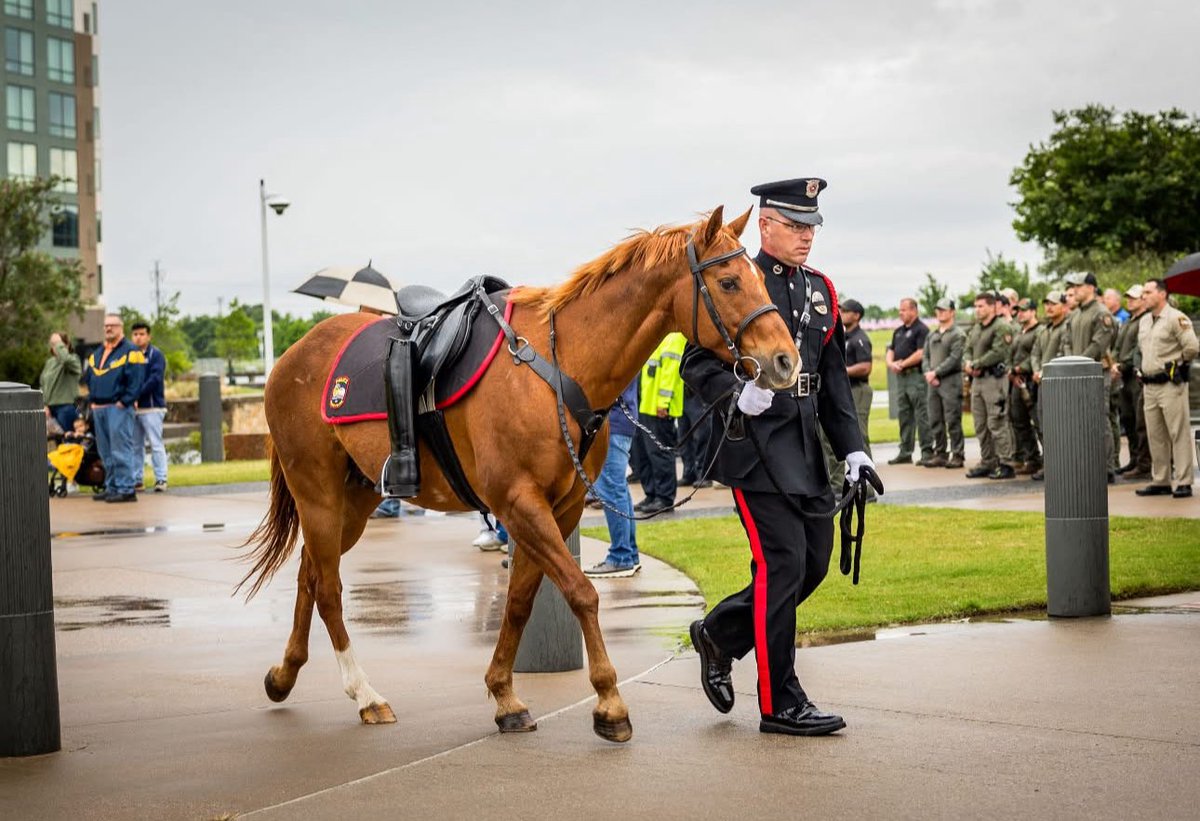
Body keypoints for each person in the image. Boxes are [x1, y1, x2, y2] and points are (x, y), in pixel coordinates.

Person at [682, 177, 872, 737]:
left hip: (807, 449)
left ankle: (720, 634)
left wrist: (856, 451)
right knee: (781, 566)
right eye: (794, 224)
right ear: (764, 224)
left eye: (811, 225)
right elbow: (696, 365)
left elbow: (833, 381)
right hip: (755, 449)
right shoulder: (740, 279)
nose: (806, 236)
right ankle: (780, 702)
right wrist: (737, 392)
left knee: (811, 565)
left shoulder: (820, 290)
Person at [1133, 278, 1198, 499]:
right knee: (1155, 434)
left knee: (1177, 432)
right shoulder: (1144, 321)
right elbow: (1142, 349)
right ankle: (1161, 479)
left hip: (1170, 383)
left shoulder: (1175, 318)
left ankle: (1184, 481)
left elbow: (1191, 347)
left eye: (1147, 292)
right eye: (1142, 293)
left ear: (1162, 294)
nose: (1143, 296)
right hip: (1149, 384)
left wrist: (1176, 364)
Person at [84, 314, 146, 503]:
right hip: (99, 408)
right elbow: (89, 379)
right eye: (106, 326)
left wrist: (125, 401)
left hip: (118, 408)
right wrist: (92, 403)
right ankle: (111, 486)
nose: (108, 328)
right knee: (105, 452)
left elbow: (136, 381)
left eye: (113, 325)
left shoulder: (131, 351)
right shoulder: (97, 354)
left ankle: (126, 488)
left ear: (121, 328)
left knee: (121, 449)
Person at [1062, 272, 1117, 482]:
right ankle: (1086, 465)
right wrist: (1071, 363)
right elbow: (1066, 341)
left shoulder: (1101, 314)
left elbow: (1098, 346)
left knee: (1099, 420)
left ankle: (1106, 468)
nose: (1074, 290)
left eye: (1079, 285)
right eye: (1073, 286)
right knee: (1079, 422)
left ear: (1091, 288)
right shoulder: (1075, 315)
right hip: (1076, 374)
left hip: (1096, 374)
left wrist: (1076, 363)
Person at [585, 379, 642, 577]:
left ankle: (621, 556)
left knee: (611, 488)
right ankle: (629, 553)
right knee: (619, 488)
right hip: (622, 421)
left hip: (614, 422)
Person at [634, 332, 687, 515]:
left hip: (659, 407)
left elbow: (670, 374)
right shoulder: (662, 337)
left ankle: (664, 497)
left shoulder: (676, 337)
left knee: (660, 453)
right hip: (645, 404)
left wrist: (663, 403)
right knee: (645, 454)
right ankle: (652, 494)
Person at [964, 292, 1015, 479]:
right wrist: (968, 363)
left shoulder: (1001, 327)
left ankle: (1006, 462)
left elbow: (999, 351)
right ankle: (987, 461)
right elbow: (967, 348)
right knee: (980, 424)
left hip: (994, 380)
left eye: (981, 306)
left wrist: (976, 364)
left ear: (993, 307)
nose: (978, 310)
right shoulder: (976, 328)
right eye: (976, 306)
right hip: (977, 381)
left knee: (997, 422)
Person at [1029, 290, 1072, 481]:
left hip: (1059, 383)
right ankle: (1050, 462)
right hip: (1042, 383)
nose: (1049, 307)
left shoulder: (1066, 328)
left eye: (1053, 303)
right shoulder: (1045, 330)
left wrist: (1046, 371)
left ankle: (1062, 464)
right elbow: (1035, 353)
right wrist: (1037, 370)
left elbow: (1064, 353)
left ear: (1063, 306)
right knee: (1042, 424)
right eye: (1046, 303)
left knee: (1060, 426)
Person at [885, 298, 932, 465]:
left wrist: (903, 363)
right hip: (901, 377)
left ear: (914, 310)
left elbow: (921, 352)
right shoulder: (898, 331)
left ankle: (927, 451)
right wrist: (891, 363)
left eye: (904, 310)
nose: (900, 313)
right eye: (900, 309)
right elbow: (891, 350)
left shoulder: (922, 330)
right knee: (904, 415)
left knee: (922, 415)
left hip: (916, 377)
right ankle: (905, 451)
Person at [922, 298, 965, 469]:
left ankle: (958, 454)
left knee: (952, 418)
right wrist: (928, 373)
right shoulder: (932, 334)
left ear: (952, 312)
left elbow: (955, 359)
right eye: (938, 309)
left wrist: (936, 372)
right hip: (933, 381)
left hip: (950, 381)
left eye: (944, 309)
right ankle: (940, 452)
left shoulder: (957, 334)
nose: (940, 312)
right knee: (935, 419)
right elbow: (925, 356)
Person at [1114, 285, 1152, 480]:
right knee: (1128, 418)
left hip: (1134, 374)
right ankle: (1135, 459)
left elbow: (1137, 348)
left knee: (1140, 421)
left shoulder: (1145, 321)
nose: (1129, 301)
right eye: (1128, 298)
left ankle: (1144, 463)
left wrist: (1122, 365)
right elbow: (1118, 346)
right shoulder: (1129, 321)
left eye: (1134, 298)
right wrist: (1114, 362)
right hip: (1123, 376)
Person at [130, 322, 169, 492]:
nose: (138, 337)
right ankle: (137, 479)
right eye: (135, 334)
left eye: (142, 334)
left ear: (148, 336)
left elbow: (155, 379)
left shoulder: (156, 355)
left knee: (155, 444)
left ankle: (161, 479)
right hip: (134, 408)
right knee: (135, 446)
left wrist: (136, 395)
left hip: (152, 408)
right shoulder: (130, 355)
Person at [1008, 299, 1043, 475]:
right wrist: (1011, 370)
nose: (1020, 313)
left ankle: (1049, 459)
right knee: (1019, 420)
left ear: (1033, 311)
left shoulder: (1040, 331)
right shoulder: (1019, 332)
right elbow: (1012, 354)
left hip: (1031, 380)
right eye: (1018, 310)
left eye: (1023, 310)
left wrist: (1021, 368)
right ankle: (1033, 458)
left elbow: (1036, 355)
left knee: (1038, 421)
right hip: (1017, 381)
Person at [40, 331, 81, 433]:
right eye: (53, 344)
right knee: (58, 444)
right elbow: (43, 385)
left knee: (68, 442)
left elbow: (66, 360)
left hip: (66, 408)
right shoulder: (49, 363)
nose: (55, 347)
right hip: (50, 410)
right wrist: (44, 405)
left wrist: (59, 345)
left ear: (66, 345)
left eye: (58, 344)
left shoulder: (73, 359)